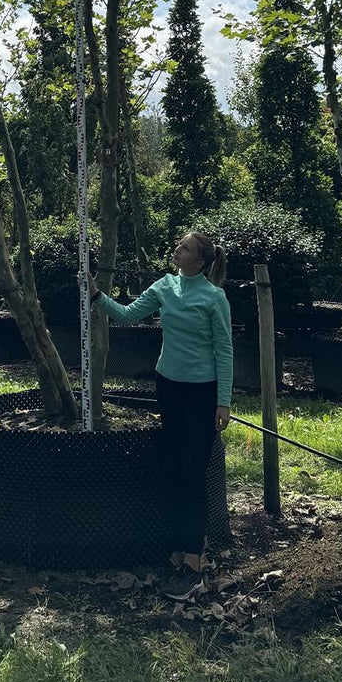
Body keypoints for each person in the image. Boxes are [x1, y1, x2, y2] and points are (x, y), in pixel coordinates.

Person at [84, 231, 232, 601]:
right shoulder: (164, 286)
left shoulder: (215, 298)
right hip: (168, 387)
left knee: (192, 471)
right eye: (178, 245)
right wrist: (96, 297)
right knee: (174, 464)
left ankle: (195, 563)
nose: (176, 250)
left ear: (199, 261)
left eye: (184, 248)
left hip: (202, 393)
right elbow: (130, 315)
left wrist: (224, 401)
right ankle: (178, 549)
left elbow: (224, 350)